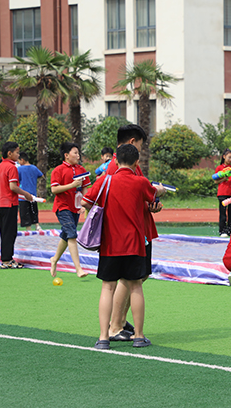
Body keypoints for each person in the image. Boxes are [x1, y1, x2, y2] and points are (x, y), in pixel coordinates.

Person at [83, 124, 162, 342]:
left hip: (113, 239)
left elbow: (88, 201)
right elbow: (149, 194)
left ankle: (106, 334)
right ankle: (119, 326)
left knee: (112, 285)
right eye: (140, 145)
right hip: (134, 237)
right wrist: (156, 195)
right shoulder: (127, 175)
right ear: (132, 144)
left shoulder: (108, 177)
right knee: (133, 281)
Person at [49, 142, 91, 278]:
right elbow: (54, 189)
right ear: (66, 155)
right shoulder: (58, 170)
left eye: (78, 153)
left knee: (66, 235)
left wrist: (84, 205)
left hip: (76, 207)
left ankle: (54, 259)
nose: (78, 156)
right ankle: (78, 269)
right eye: (75, 153)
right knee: (72, 234)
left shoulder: (82, 170)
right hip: (62, 207)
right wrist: (71, 185)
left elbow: (85, 188)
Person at [0, 142, 34, 269]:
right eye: (17, 152)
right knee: (10, 233)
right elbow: (13, 187)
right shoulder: (12, 167)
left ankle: (7, 258)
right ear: (9, 153)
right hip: (9, 204)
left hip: (0, 203)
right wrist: (26, 194)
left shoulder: (1, 166)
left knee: (5, 232)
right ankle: (7, 260)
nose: (18, 155)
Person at [18, 152, 44, 232]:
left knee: (25, 214)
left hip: (23, 196)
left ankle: (28, 230)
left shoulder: (19, 169)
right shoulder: (34, 168)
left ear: (22, 160)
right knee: (34, 211)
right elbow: (41, 176)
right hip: (33, 195)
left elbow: (16, 179)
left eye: (19, 161)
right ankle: (37, 226)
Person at [215, 149, 231, 237]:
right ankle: (222, 231)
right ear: (224, 157)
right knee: (223, 213)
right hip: (222, 193)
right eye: (229, 157)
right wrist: (224, 178)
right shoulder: (219, 168)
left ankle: (230, 230)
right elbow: (216, 181)